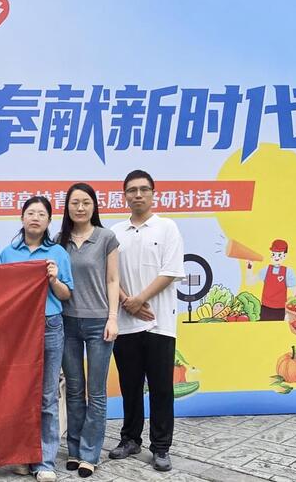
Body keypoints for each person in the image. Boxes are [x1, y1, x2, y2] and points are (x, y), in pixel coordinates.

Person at [109, 170, 184, 472]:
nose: (138, 195)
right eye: (132, 190)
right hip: (125, 323)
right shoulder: (115, 232)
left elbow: (171, 271)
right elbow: (110, 275)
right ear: (124, 196)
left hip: (159, 322)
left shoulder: (167, 228)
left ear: (153, 193)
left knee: (161, 387)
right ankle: (130, 439)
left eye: (143, 189)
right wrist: (127, 301)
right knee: (129, 386)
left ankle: (161, 446)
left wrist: (139, 299)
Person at [0, 196, 73, 482]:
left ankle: (44, 461)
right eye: (30, 213)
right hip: (17, 330)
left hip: (49, 325)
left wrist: (54, 279)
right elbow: (0, 294)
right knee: (18, 393)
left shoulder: (58, 253)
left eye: (42, 214)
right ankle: (20, 455)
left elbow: (66, 295)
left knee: (47, 395)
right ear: (22, 218)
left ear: (48, 221)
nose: (35, 218)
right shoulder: (7, 254)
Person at [55, 183, 119, 478]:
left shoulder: (106, 238)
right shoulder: (59, 241)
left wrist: (112, 318)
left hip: (98, 323)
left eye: (85, 202)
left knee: (96, 392)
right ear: (67, 207)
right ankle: (74, 449)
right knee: (74, 389)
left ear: (94, 206)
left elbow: (113, 280)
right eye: (74, 203)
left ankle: (90, 454)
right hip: (67, 322)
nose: (80, 208)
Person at [245, 239, 296, 321]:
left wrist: (291, 311)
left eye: (279, 254)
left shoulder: (288, 272)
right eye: (273, 254)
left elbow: (295, 293)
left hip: (280, 309)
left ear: (285, 256)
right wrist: (249, 268)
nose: (276, 257)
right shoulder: (265, 270)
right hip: (265, 308)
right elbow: (249, 282)